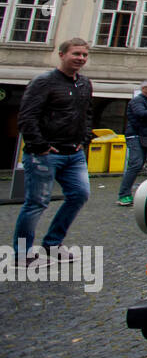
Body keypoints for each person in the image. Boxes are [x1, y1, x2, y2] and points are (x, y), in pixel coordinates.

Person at [14, 38, 94, 263]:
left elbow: (87, 114)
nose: (80, 58)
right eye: (76, 54)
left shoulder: (84, 83)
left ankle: (52, 244)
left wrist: (84, 139)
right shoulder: (43, 82)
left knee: (79, 195)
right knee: (37, 202)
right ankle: (22, 253)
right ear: (62, 55)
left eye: (84, 55)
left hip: (74, 153)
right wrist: (40, 146)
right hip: (45, 153)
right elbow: (27, 117)